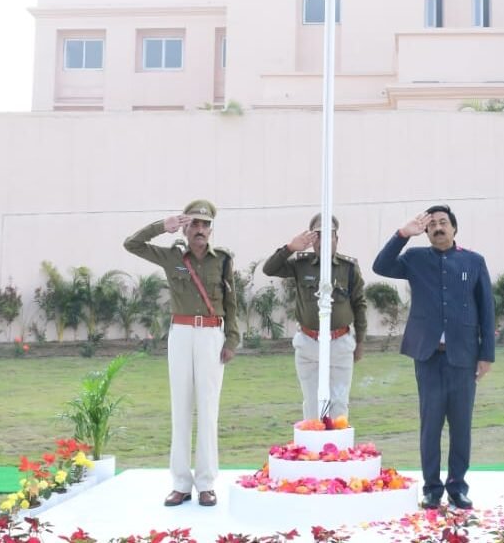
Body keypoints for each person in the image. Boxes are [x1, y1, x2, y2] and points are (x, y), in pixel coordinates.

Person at [373, 205, 495, 511]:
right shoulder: (415, 259)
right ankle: (431, 488)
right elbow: (380, 266)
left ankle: (457, 487)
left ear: (454, 228)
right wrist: (403, 234)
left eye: (443, 223)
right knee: (430, 425)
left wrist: (486, 355)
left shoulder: (474, 261)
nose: (438, 228)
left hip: (463, 356)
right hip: (427, 357)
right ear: (426, 232)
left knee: (461, 425)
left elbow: (486, 310)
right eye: (432, 225)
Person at [123, 199, 238, 508]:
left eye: (205, 224)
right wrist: (162, 226)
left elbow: (231, 303)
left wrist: (231, 340)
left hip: (211, 334)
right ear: (186, 228)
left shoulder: (222, 260)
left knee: (208, 409)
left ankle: (206, 483)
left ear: (211, 229)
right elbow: (131, 244)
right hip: (182, 334)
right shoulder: (172, 256)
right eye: (194, 224)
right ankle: (181, 484)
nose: (200, 229)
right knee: (181, 408)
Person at [262, 213, 367, 420]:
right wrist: (290, 248)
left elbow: (359, 305)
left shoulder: (348, 268)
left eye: (329, 235)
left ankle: (335, 442)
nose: (324, 241)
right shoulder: (301, 264)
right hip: (309, 343)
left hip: (339, 343)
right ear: (311, 239)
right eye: (318, 235)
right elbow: (269, 269)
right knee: (312, 404)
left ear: (337, 238)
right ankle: (314, 440)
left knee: (339, 403)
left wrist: (360, 342)